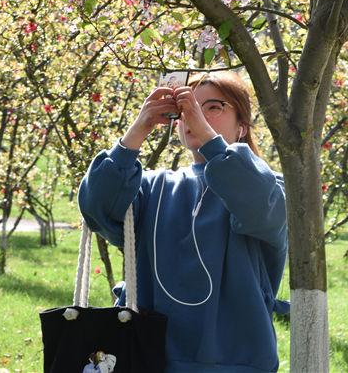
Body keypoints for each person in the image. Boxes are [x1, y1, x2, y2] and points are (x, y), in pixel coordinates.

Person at [78, 71, 288, 373]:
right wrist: (137, 131)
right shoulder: (154, 187)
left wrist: (213, 145)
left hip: (236, 363)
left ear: (242, 126)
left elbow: (257, 204)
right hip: (147, 358)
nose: (195, 114)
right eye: (187, 107)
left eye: (213, 107)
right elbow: (97, 206)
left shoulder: (270, 187)